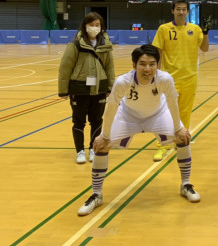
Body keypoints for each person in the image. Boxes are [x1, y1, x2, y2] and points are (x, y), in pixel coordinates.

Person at [77, 45, 200, 216]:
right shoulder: (123, 82)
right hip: (128, 117)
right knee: (101, 146)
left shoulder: (165, 79)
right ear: (134, 65)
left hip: (158, 114)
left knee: (184, 138)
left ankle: (185, 185)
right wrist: (104, 136)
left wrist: (179, 128)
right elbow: (111, 108)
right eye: (142, 64)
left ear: (158, 65)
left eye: (152, 64)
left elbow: (172, 103)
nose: (147, 69)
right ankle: (97, 195)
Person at [151, 0, 209, 161]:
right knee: (164, 113)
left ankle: (180, 141)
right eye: (178, 9)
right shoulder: (164, 29)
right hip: (168, 79)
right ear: (173, 10)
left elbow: (204, 48)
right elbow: (158, 52)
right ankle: (163, 145)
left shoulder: (195, 29)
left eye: (184, 9)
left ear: (188, 11)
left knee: (184, 113)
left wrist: (205, 33)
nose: (181, 12)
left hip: (190, 78)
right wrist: (156, 74)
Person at [58, 12, 114, 164]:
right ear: (85, 26)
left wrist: (110, 87)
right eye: (91, 25)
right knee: (79, 122)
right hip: (79, 88)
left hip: (100, 88)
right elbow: (65, 67)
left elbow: (109, 67)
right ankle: (80, 151)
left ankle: (93, 150)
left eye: (97, 25)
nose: (94, 28)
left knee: (97, 121)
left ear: (101, 27)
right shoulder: (75, 44)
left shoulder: (105, 44)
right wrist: (63, 90)